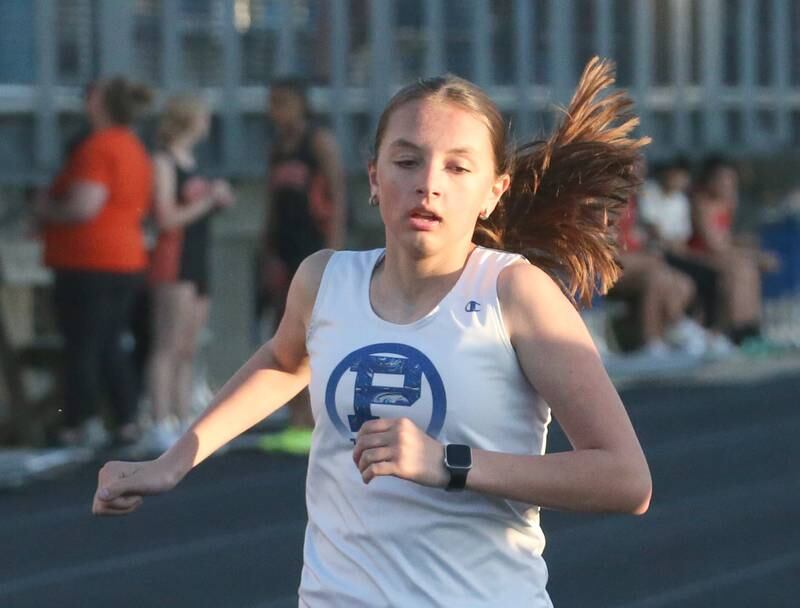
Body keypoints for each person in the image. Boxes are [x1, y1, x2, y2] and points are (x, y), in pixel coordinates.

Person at [93, 59, 652, 606]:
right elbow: (285, 363)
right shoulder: (324, 280)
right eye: (407, 161)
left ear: (494, 191)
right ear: (374, 178)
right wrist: (172, 461)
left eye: (458, 168)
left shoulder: (517, 295)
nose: (428, 185)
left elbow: (625, 479)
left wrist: (450, 464)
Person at [36, 77, 153, 448]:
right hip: (126, 257)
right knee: (109, 342)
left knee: (83, 343)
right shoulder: (133, 146)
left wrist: (45, 208)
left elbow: (85, 205)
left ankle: (77, 423)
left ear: (99, 105)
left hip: (89, 259)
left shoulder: (98, 148)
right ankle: (125, 419)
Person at [258, 76, 347, 454]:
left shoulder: (318, 143)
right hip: (285, 248)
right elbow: (271, 201)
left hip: (314, 246)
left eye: (281, 103)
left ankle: (313, 420)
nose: (274, 111)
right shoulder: (279, 147)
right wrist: (266, 246)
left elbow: (338, 194)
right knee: (287, 332)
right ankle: (296, 418)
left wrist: (334, 247)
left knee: (318, 331)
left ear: (299, 104)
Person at [141, 95, 235, 453]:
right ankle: (160, 418)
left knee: (188, 346)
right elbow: (166, 217)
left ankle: (182, 419)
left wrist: (215, 198)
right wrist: (208, 201)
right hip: (173, 258)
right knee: (167, 343)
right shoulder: (164, 162)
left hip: (196, 257)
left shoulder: (192, 162)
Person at [689, 156, 777, 344]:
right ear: (710, 180)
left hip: (718, 254)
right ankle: (735, 328)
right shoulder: (702, 203)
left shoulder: (727, 204)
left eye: (731, 181)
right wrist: (752, 255)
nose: (728, 185)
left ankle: (750, 325)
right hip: (697, 255)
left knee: (749, 270)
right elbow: (713, 244)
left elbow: (725, 239)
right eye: (723, 180)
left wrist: (746, 247)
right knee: (740, 269)